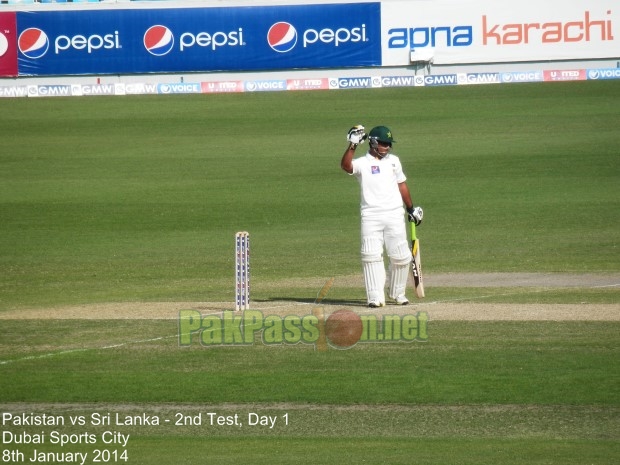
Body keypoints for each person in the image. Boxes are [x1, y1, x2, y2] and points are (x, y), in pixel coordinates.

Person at [340, 125, 423, 308]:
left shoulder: (394, 161)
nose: (387, 147)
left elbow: (402, 185)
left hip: (394, 214)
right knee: (371, 256)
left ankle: (398, 293)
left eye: (389, 144)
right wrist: (352, 145)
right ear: (373, 142)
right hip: (371, 215)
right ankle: (374, 297)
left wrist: (411, 208)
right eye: (384, 143)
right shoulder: (363, 163)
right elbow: (346, 166)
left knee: (402, 257)